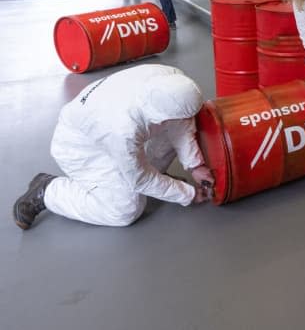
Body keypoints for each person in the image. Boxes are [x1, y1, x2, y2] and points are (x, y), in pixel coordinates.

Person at [12, 64, 214, 230]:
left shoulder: (172, 80)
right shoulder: (122, 128)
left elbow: (182, 121)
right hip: (81, 148)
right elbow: (140, 179)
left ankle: (156, 180)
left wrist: (194, 165)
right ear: (159, 117)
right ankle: (48, 190)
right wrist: (187, 193)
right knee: (125, 209)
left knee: (177, 127)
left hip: (101, 124)